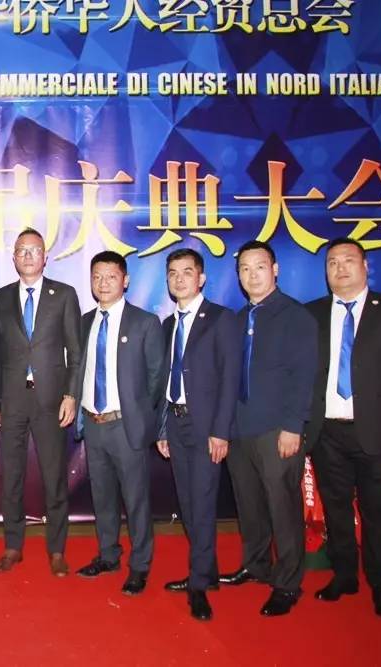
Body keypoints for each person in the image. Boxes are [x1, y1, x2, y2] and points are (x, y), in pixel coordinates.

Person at [304, 238, 381, 618]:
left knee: (376, 511)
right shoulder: (313, 313)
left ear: (365, 265)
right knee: (336, 507)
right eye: (332, 262)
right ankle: (344, 576)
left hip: (375, 430)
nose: (340, 268)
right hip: (327, 431)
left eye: (348, 260)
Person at [219, 240, 317, 617]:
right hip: (240, 429)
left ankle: (288, 582)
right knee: (250, 505)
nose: (252, 275)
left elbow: (304, 376)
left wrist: (293, 426)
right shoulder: (238, 318)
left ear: (275, 270)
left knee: (282, 508)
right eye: (244, 269)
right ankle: (256, 565)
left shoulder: (295, 316)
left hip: (277, 430)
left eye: (259, 267)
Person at [155, 249, 240, 621]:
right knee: (188, 503)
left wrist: (221, 431)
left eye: (187, 272)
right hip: (175, 424)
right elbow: (164, 382)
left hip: (207, 428)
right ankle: (207, 571)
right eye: (173, 273)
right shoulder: (167, 325)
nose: (179, 279)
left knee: (203, 503)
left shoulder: (221, 319)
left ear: (201, 278)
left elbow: (230, 379)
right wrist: (162, 428)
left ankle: (199, 585)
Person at [0, 229, 82, 577]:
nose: (28, 256)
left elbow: (75, 353)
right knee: (11, 477)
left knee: (54, 477)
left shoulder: (64, 295)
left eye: (34, 250)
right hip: (11, 400)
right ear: (13, 257)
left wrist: (71, 395)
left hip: (51, 400)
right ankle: (13, 546)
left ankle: (57, 550)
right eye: (22, 251)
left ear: (46, 257)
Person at [75, 251, 165, 597]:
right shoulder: (85, 322)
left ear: (125, 280)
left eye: (111, 276)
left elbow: (156, 378)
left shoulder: (144, 323)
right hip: (93, 424)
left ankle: (140, 565)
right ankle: (108, 555)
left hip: (125, 425)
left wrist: (137, 413)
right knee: (102, 497)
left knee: (136, 499)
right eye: (97, 276)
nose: (103, 283)